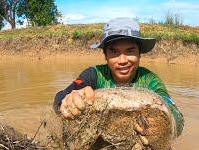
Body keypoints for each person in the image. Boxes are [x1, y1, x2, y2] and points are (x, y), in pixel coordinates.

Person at [53, 17, 184, 139]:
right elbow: (60, 97)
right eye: (114, 52)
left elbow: (177, 117)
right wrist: (68, 102)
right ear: (106, 56)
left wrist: (162, 125)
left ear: (139, 54)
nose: (122, 60)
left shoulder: (150, 79)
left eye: (130, 51)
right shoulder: (95, 74)